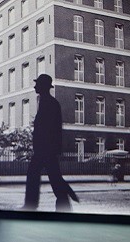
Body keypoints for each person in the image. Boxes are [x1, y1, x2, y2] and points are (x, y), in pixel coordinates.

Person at [22, 74, 79, 211]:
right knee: (54, 178)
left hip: (45, 149)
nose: (35, 86)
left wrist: (50, 148)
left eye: (37, 84)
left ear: (43, 87)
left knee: (37, 175)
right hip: (45, 149)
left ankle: (31, 205)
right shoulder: (45, 102)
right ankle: (64, 204)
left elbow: (53, 129)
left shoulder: (50, 103)